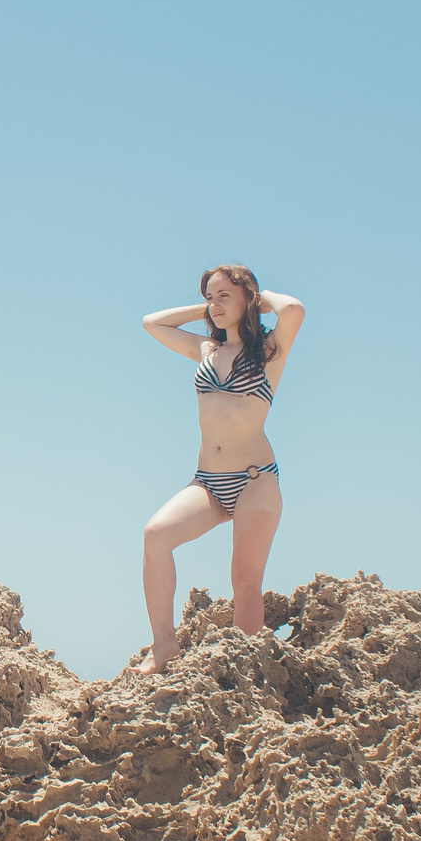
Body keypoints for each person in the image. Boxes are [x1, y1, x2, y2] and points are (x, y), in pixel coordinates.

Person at [130, 266, 306, 673]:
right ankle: (163, 647)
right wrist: (209, 310)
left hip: (254, 479)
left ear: (249, 298)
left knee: (244, 581)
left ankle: (248, 671)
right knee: (155, 536)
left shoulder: (268, 352)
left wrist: (256, 301)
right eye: (210, 295)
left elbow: (293, 309)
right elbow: (151, 323)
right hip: (207, 482)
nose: (215, 303)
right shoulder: (207, 349)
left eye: (225, 295)